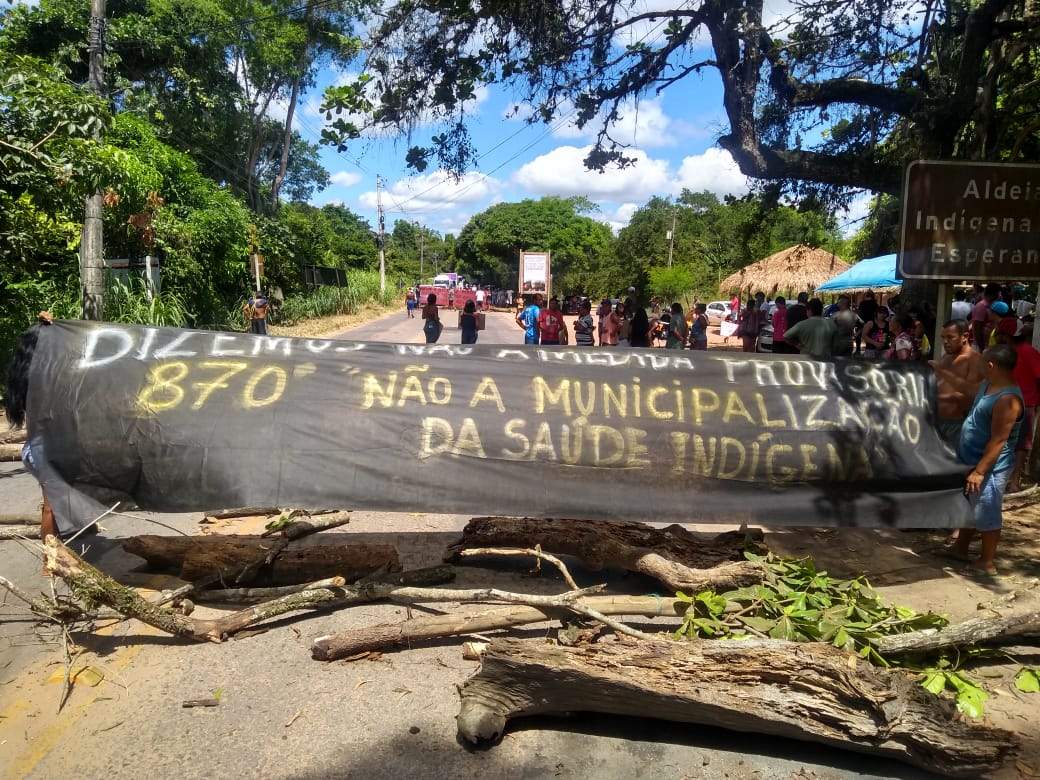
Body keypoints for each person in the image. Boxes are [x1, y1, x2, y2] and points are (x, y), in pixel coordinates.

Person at [951, 345, 1024, 575]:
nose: (979, 364)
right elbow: (969, 391)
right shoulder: (988, 385)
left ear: (991, 365)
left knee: (987, 509)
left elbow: (999, 440)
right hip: (971, 459)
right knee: (970, 506)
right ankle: (960, 548)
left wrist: (980, 471)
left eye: (982, 362)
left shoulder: (1007, 399)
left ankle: (987, 562)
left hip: (990, 467)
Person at [995, 320, 1040, 493]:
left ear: (1007, 336)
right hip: (1014, 403)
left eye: (1000, 334)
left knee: (1015, 443)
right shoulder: (1011, 353)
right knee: (1015, 444)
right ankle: (1010, 480)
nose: (998, 337)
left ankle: (1012, 481)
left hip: (1021, 403)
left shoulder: (1022, 353)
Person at [930, 320, 985, 449]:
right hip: (936, 422)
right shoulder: (946, 357)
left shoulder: (974, 360)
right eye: (943, 337)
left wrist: (932, 398)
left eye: (950, 337)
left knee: (954, 465)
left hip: (957, 425)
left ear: (965, 336)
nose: (945, 342)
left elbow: (970, 396)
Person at [971, 283, 1000, 350]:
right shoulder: (981, 306)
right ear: (995, 294)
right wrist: (982, 348)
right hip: (981, 346)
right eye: (999, 293)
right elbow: (977, 328)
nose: (1000, 295)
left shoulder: (990, 305)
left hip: (988, 344)